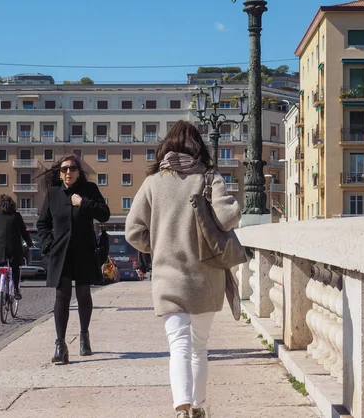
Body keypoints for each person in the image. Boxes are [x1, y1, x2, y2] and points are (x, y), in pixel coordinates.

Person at [125, 120, 241, 418]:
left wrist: (160, 246)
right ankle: (199, 406)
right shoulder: (208, 177)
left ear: (165, 147)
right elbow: (227, 219)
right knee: (199, 347)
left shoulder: (152, 183)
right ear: (198, 146)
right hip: (206, 277)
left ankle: (182, 407)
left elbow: (133, 232)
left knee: (178, 345)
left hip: (168, 279)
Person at [36, 154, 110, 365]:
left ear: (79, 172)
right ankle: (60, 344)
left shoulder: (90, 190)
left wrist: (83, 203)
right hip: (61, 253)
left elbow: (104, 214)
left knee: (84, 293)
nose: (68, 172)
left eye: (72, 168)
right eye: (64, 169)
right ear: (60, 173)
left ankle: (84, 335)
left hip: (85, 251)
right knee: (62, 296)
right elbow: (42, 225)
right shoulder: (52, 194)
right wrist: (49, 246)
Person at [0, 194, 33, 301]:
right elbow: (23, 232)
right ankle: (16, 290)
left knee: (0, 268)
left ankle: (0, 293)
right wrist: (29, 243)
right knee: (15, 268)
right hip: (14, 248)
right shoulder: (16, 216)